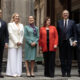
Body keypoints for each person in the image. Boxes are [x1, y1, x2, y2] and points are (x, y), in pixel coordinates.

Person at [57, 10, 77, 77]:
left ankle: (68, 72)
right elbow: (57, 33)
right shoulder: (59, 22)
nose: (65, 14)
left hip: (69, 43)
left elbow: (75, 33)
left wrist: (75, 41)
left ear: (68, 14)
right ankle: (63, 73)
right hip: (62, 43)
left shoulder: (72, 22)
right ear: (62, 15)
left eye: (66, 13)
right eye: (64, 13)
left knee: (69, 58)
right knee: (62, 58)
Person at [6, 13, 24, 77]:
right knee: (12, 58)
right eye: (16, 16)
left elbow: (22, 34)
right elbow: (11, 34)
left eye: (18, 16)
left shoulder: (21, 25)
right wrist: (16, 42)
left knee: (19, 58)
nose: (17, 17)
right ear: (13, 18)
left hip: (19, 44)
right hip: (13, 44)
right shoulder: (10, 24)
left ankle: (18, 72)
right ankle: (12, 72)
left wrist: (20, 41)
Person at [0, 9, 9, 78]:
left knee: (0, 58)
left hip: (1, 43)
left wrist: (6, 42)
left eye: (0, 13)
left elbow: (6, 34)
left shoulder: (4, 23)